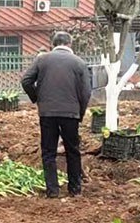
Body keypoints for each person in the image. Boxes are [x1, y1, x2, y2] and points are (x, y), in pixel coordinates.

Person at [20, 31, 91, 198]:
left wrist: (37, 97)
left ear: (53, 44)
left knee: (48, 151)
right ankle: (75, 189)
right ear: (70, 44)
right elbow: (86, 93)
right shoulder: (79, 63)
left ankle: (52, 190)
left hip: (47, 112)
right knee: (72, 151)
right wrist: (79, 113)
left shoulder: (42, 59)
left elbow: (26, 81)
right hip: (70, 113)